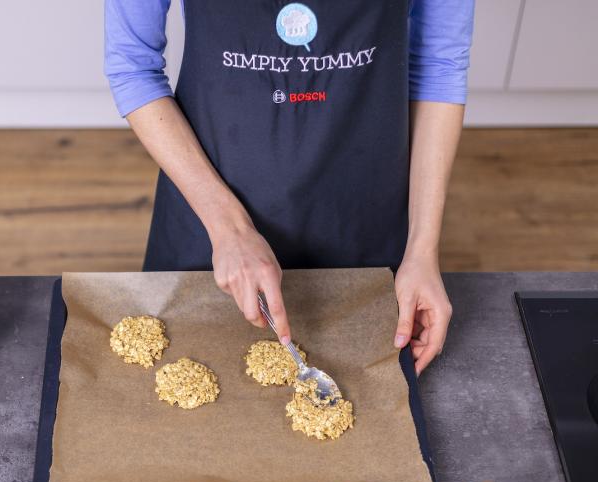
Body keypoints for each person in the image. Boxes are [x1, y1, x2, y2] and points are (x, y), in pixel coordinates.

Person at [105, 0, 474, 374]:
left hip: (365, 211)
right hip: (210, 210)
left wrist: (423, 249)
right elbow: (132, 66)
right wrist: (229, 228)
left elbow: (438, 68)